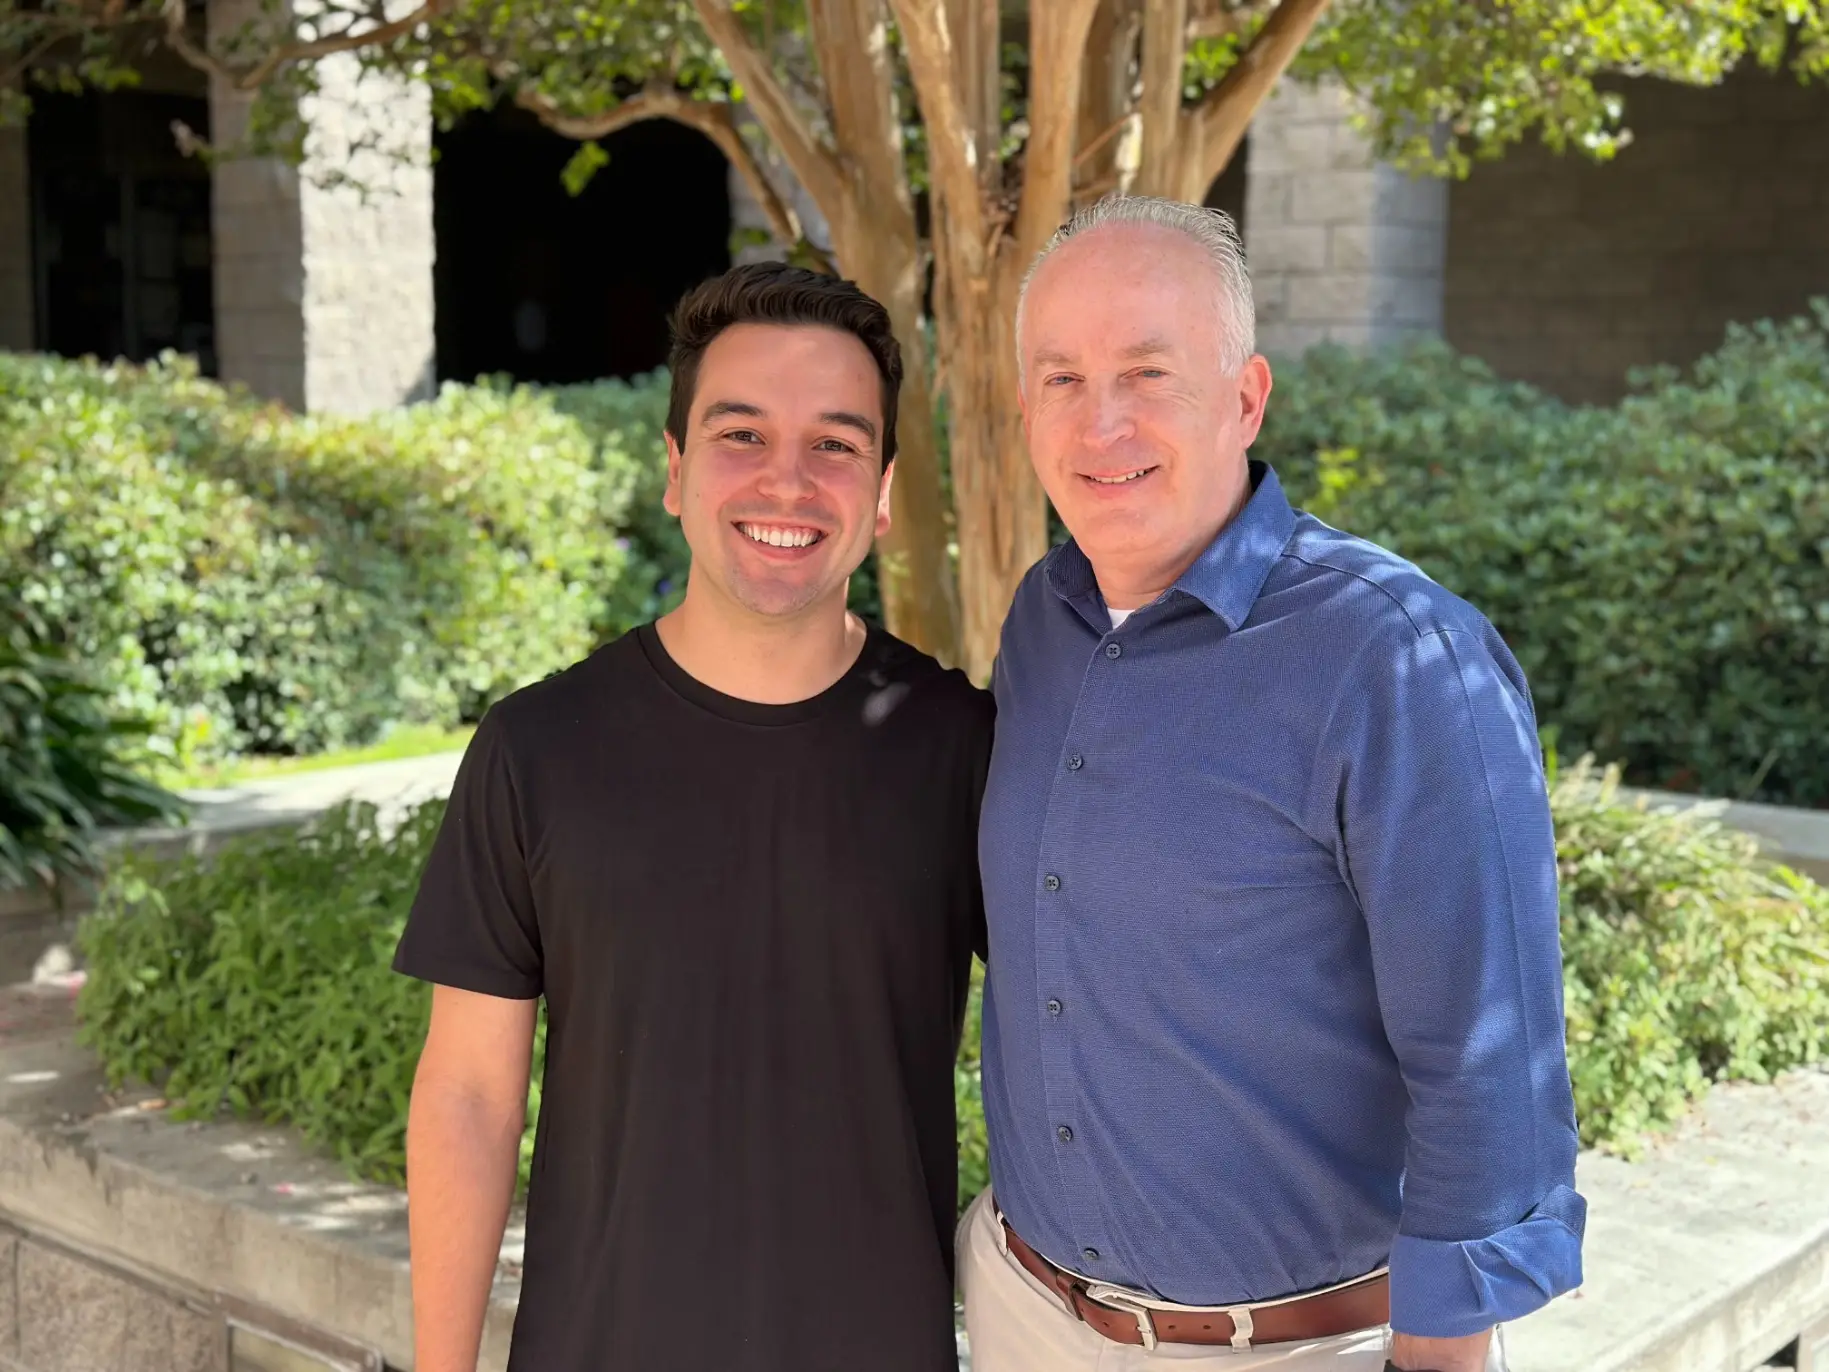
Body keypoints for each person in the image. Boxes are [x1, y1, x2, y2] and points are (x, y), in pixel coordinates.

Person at [960, 194, 1585, 1372]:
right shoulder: (1042, 619)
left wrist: (1437, 1359)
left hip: (1292, 1350)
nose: (1101, 422)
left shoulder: (1396, 658)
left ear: (1244, 397)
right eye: (1060, 379)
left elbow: (1484, 1058)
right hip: (1022, 1311)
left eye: (1146, 371)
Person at [394, 261, 993, 1372]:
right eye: (740, 435)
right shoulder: (537, 750)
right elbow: (469, 1096)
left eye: (833, 443)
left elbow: (1082, 1036)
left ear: (882, 491)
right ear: (673, 471)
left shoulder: (961, 746)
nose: (786, 482)